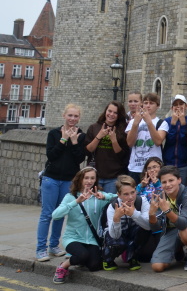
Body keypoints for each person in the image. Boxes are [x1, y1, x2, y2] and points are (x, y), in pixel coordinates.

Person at [37, 104, 86, 262]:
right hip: (51, 179)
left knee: (61, 214)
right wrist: (63, 139)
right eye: (70, 115)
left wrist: (74, 142)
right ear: (64, 115)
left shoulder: (81, 136)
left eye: (75, 116)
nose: (72, 119)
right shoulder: (53, 133)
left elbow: (79, 159)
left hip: (69, 180)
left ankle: (54, 245)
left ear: (79, 118)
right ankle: (41, 249)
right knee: (47, 215)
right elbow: (51, 155)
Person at [51, 166, 115, 283]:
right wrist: (76, 202)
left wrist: (105, 197)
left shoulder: (98, 196)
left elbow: (119, 197)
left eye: (92, 178)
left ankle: (80, 259)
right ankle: (63, 266)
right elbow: (55, 215)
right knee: (82, 255)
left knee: (95, 266)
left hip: (92, 239)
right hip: (72, 238)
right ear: (80, 179)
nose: (89, 181)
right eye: (86, 178)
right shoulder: (70, 197)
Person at [149, 166, 187, 272]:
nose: (168, 185)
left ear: (179, 180)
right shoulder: (160, 197)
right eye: (164, 182)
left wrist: (167, 211)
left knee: (186, 232)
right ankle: (177, 249)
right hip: (171, 230)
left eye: (171, 180)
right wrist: (151, 214)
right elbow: (155, 228)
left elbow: (184, 224)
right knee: (157, 267)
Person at [102, 175, 150, 271]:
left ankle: (132, 257)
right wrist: (116, 219)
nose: (131, 197)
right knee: (117, 242)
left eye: (133, 192)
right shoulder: (113, 206)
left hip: (133, 232)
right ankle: (107, 258)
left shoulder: (142, 201)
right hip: (117, 234)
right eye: (126, 194)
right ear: (119, 195)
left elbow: (148, 226)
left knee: (143, 230)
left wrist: (134, 214)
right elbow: (114, 236)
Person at [84, 101, 130, 193]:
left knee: (110, 201)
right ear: (105, 111)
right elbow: (87, 151)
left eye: (115, 113)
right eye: (109, 111)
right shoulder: (94, 127)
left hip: (114, 176)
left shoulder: (124, 129)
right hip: (95, 175)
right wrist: (99, 136)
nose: (111, 114)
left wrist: (114, 140)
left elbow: (123, 155)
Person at [125, 93, 168, 184]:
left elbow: (158, 141)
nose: (148, 106)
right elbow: (130, 143)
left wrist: (149, 122)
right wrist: (135, 123)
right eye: (146, 103)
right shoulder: (133, 122)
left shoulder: (161, 123)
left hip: (154, 168)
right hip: (135, 167)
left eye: (151, 103)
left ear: (157, 106)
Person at [162, 94, 187, 181]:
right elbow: (170, 140)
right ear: (172, 108)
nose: (178, 107)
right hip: (169, 162)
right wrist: (173, 124)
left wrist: (183, 124)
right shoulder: (167, 121)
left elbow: (185, 141)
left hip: (184, 164)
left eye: (181, 104)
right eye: (175, 105)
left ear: (186, 106)